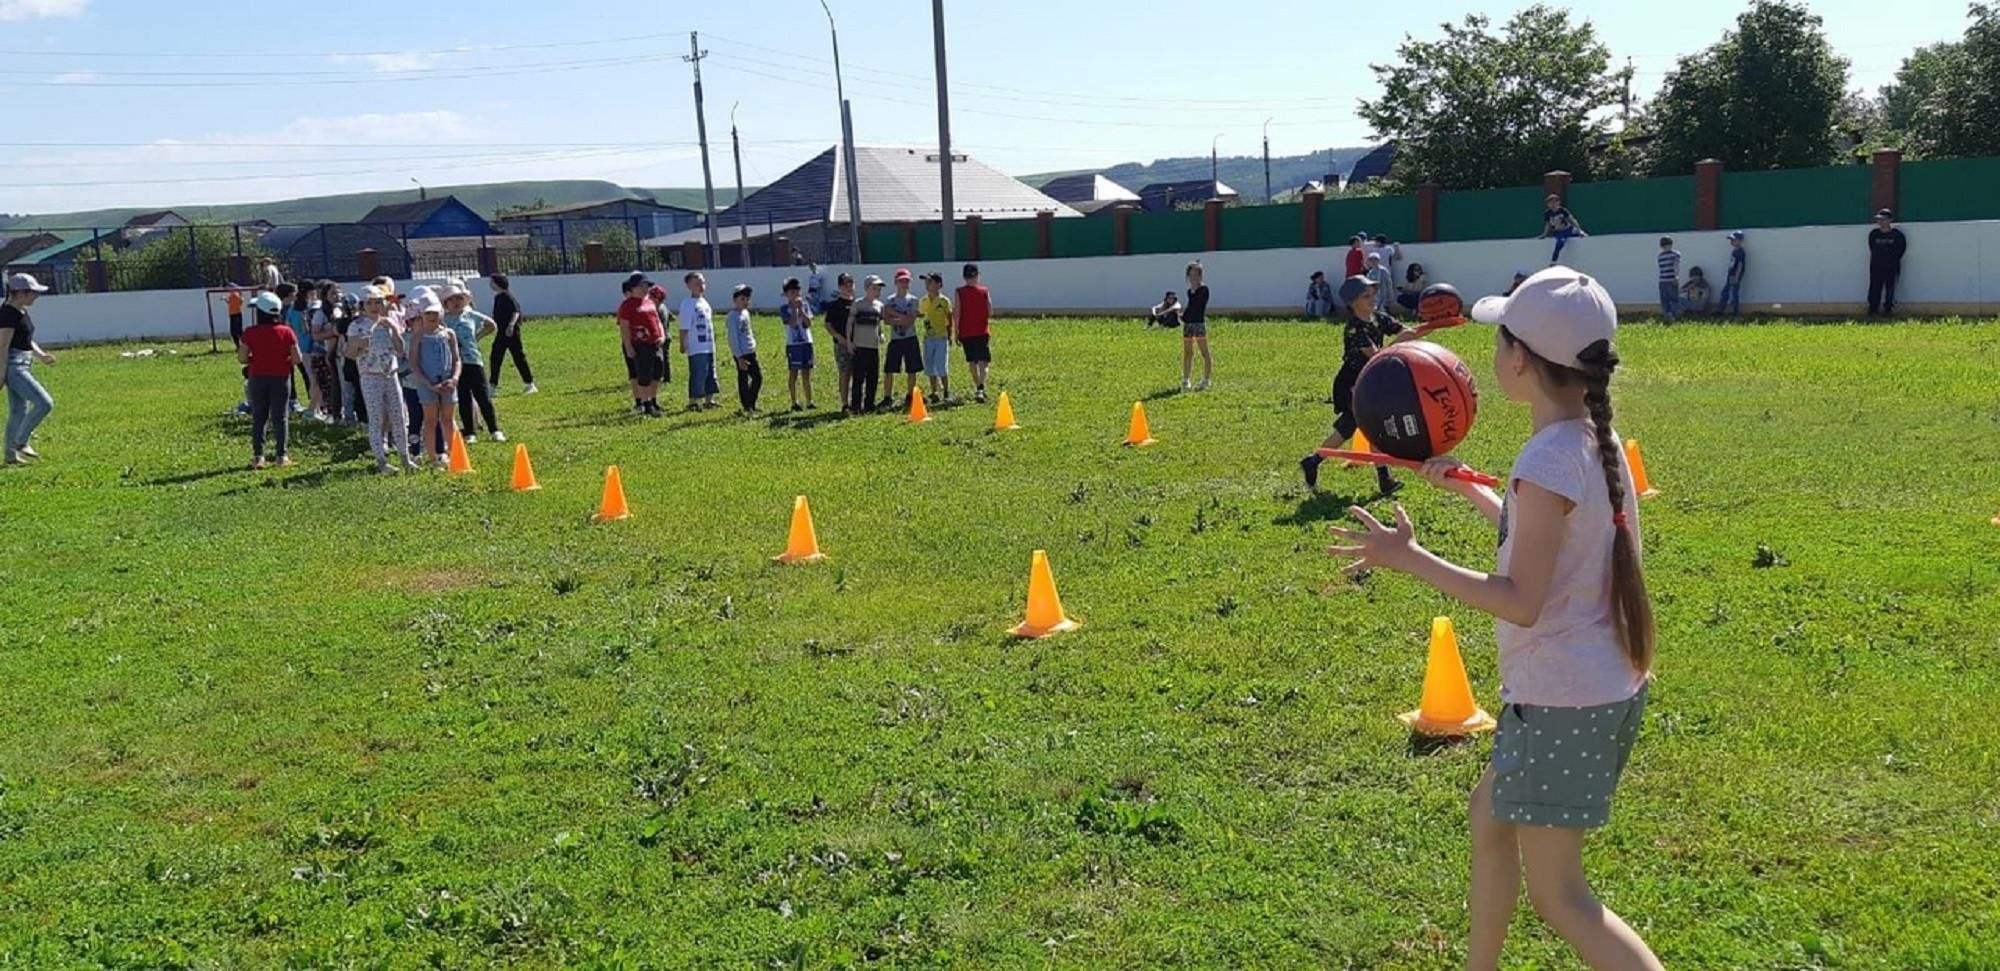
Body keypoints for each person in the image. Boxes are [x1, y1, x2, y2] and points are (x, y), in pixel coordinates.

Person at [1327, 265, 1662, 971]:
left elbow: (1521, 598)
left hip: (1565, 698)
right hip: (1593, 685)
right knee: (1489, 816)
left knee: (1562, 898)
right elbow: (1550, 540)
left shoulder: (1548, 458)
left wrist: (1407, 556)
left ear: (1520, 359)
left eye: (1500, 337)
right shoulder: (1589, 440)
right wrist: (1467, 485)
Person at [1301, 275, 1404, 496]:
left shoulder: (1377, 318)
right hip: (1352, 384)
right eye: (1366, 296)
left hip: (1368, 381)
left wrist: (1432, 324)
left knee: (1346, 429)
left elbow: (1404, 330)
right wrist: (1400, 343)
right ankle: (1384, 479)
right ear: (1352, 303)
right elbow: (1376, 357)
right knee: (1373, 427)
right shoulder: (1355, 328)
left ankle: (1313, 461)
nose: (1372, 298)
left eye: (1373, 294)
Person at [345, 285, 414, 474]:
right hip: (370, 376)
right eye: (370, 303)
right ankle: (381, 460)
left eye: (378, 302)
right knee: (376, 417)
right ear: (362, 305)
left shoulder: (388, 322)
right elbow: (349, 354)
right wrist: (359, 343)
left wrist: (393, 329)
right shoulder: (356, 325)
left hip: (390, 374)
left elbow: (400, 350)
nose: (374, 306)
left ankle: (405, 457)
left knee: (398, 415)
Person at [237, 291, 300, 470]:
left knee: (259, 417)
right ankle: (282, 456)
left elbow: (242, 358)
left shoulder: (250, 333)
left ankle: (258, 457)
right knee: (280, 417)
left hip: (257, 378)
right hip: (281, 378)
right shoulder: (286, 332)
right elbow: (297, 358)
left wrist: (255, 360)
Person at [1, 273, 56, 466]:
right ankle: (21, 442)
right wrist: (1, 374)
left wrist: (41, 356)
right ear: (20, 293)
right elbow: (3, 346)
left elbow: (26, 339)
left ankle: (10, 456)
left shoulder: (21, 312)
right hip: (14, 367)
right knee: (44, 403)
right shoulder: (8, 314)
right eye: (33, 293)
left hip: (23, 363)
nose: (36, 296)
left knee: (18, 410)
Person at [442, 284, 504, 442]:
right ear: (446, 303)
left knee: (482, 396)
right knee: (463, 398)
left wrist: (477, 337)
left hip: (473, 360)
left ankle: (494, 429)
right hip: (455, 363)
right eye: (451, 299)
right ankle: (470, 431)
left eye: (459, 298)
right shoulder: (444, 319)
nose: (456, 302)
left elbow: (491, 325)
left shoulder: (471, 315)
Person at [408, 292, 461, 468]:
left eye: (435, 313)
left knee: (448, 419)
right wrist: (428, 384)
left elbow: (456, 359)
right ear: (422, 315)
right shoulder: (418, 336)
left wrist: (453, 378)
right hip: (428, 384)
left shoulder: (449, 333)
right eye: (428, 314)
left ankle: (455, 455)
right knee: (430, 420)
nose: (432, 317)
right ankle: (432, 458)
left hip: (447, 382)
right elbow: (414, 363)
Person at [617, 274, 666, 417]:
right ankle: (646, 404)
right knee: (644, 375)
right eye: (642, 286)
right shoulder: (627, 305)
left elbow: (657, 321)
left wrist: (662, 335)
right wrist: (629, 347)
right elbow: (624, 327)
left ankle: (653, 399)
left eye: (647, 286)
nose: (646, 289)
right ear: (633, 288)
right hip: (640, 344)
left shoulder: (650, 302)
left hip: (655, 343)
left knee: (657, 373)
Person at [487, 273, 536, 395]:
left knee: (518, 357)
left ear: (498, 283)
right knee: (495, 357)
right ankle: (492, 386)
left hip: (511, 333)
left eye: (492, 282)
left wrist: (511, 325)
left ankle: (530, 384)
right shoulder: (498, 297)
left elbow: (516, 312)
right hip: (501, 332)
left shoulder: (507, 296)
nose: (490, 284)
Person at [882, 269, 923, 409]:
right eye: (901, 281)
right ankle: (887, 396)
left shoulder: (913, 300)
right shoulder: (889, 299)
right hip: (895, 339)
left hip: (910, 338)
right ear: (895, 282)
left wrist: (893, 314)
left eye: (906, 281)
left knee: (912, 369)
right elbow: (886, 320)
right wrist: (898, 318)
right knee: (889, 369)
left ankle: (910, 395)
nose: (904, 283)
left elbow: (910, 320)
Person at [679, 272, 720, 410]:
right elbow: (684, 326)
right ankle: (694, 401)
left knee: (710, 372)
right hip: (696, 346)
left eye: (702, 283)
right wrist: (683, 343)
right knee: (698, 372)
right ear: (689, 286)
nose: (701, 286)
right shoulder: (687, 304)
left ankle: (709, 399)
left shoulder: (704, 302)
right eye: (697, 283)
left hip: (708, 345)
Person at [847, 275, 886, 413]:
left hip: (873, 347)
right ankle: (856, 405)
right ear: (866, 288)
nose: (877, 291)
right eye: (874, 288)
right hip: (860, 346)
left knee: (873, 377)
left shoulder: (880, 306)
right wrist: (849, 342)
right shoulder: (858, 304)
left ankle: (869, 404)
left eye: (879, 289)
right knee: (858, 377)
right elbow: (850, 323)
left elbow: (878, 324)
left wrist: (881, 334)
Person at [308, 280, 345, 424]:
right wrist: (333, 332)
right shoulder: (320, 313)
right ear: (325, 296)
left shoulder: (341, 310)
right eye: (333, 293)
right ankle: (331, 413)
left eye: (339, 292)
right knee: (327, 385)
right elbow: (315, 335)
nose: (337, 295)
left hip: (339, 353)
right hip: (323, 354)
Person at [956, 263, 994, 403]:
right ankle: (981, 387)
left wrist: (956, 331)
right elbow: (990, 311)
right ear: (978, 275)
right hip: (982, 330)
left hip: (966, 332)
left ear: (964, 277)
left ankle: (978, 385)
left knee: (972, 361)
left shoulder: (959, 292)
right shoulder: (984, 291)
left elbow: (957, 313)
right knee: (984, 361)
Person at [779, 277, 817, 411]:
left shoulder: (805, 305)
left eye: (797, 291)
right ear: (786, 294)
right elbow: (792, 323)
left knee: (806, 372)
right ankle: (794, 401)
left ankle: (809, 400)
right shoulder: (784, 308)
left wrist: (801, 310)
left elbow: (808, 323)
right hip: (793, 344)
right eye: (791, 292)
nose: (795, 294)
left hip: (806, 342)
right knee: (793, 372)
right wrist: (794, 310)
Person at [726, 283, 763, 415]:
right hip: (741, 352)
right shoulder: (732, 316)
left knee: (756, 378)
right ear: (735, 300)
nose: (746, 302)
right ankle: (747, 405)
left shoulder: (746, 313)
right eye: (742, 299)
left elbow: (748, 332)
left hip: (750, 350)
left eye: (747, 299)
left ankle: (751, 403)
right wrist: (739, 356)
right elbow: (733, 338)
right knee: (745, 378)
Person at [918, 271, 954, 403]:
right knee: (929, 365)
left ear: (939, 284)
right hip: (928, 337)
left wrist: (950, 335)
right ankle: (934, 391)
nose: (927, 284)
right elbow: (923, 315)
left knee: (941, 365)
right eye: (926, 281)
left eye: (930, 281)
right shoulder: (924, 300)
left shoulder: (944, 301)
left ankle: (946, 391)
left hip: (941, 337)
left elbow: (949, 319)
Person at [823, 273, 856, 411]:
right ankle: (844, 403)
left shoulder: (857, 303)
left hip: (857, 343)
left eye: (850, 283)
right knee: (844, 373)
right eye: (845, 284)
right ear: (840, 287)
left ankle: (857, 400)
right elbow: (828, 324)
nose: (848, 287)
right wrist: (838, 337)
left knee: (858, 373)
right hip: (841, 344)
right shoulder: (834, 305)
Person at [1867, 209, 1907, 316]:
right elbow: (1872, 247)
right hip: (1876, 266)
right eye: (1879, 220)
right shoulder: (1874, 234)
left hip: (1892, 266)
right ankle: (1873, 309)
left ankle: (1888, 309)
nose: (1880, 222)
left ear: (1890, 220)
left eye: (1883, 219)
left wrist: (1892, 260)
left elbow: (1901, 249)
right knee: (1875, 287)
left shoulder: (1897, 235)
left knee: (1890, 288)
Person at [1181, 260, 1213, 391]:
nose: (1193, 278)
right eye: (1191, 275)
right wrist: (1181, 316)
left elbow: (1198, 306)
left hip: (1199, 324)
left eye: (1196, 275)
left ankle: (1206, 379)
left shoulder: (1203, 290)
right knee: (1188, 353)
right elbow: (1189, 308)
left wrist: (1194, 292)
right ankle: (1186, 379)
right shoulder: (1189, 291)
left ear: (1200, 276)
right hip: (1188, 325)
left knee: (1204, 352)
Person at [1539, 196, 1587, 263]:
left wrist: (1579, 230)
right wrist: (1545, 234)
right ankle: (1553, 261)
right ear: (1547, 205)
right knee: (1560, 243)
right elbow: (1548, 224)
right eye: (1550, 203)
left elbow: (1572, 220)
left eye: (1555, 202)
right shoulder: (1547, 213)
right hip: (1558, 232)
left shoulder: (1562, 210)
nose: (1553, 205)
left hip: (1568, 229)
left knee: (1584, 236)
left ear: (1558, 202)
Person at [1718, 231, 1747, 316]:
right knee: (1725, 292)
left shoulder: (1741, 252)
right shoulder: (1734, 251)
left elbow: (1740, 265)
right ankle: (1721, 310)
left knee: (1734, 294)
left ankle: (1735, 312)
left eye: (1733, 240)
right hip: (1730, 274)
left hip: (1735, 275)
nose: (1731, 242)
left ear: (1739, 241)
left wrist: (1737, 277)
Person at [1655, 237, 1682, 322]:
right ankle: (1674, 315)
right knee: (1674, 298)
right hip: (1671, 279)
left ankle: (1667, 314)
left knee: (1664, 299)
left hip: (1662, 280)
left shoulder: (1660, 256)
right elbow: (1676, 266)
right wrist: (1676, 276)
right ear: (1671, 244)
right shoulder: (1676, 254)